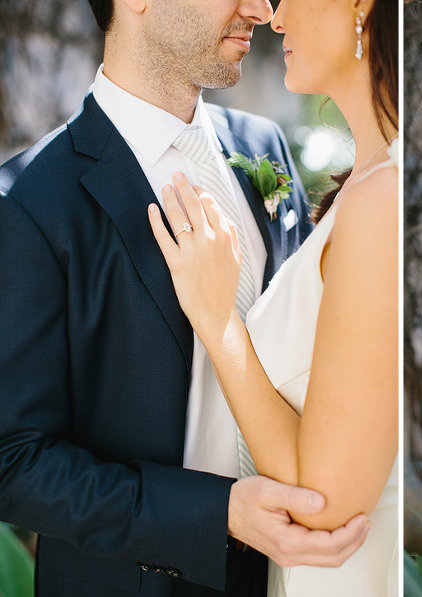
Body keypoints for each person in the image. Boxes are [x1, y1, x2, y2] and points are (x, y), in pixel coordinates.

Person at [0, 0, 373, 596]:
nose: (261, 9)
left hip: (291, 573)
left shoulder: (265, 148)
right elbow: (13, 461)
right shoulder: (29, 206)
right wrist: (217, 512)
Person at [145, 0, 399, 596]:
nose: (274, 18)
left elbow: (324, 503)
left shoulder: (380, 199)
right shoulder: (359, 189)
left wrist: (218, 321)